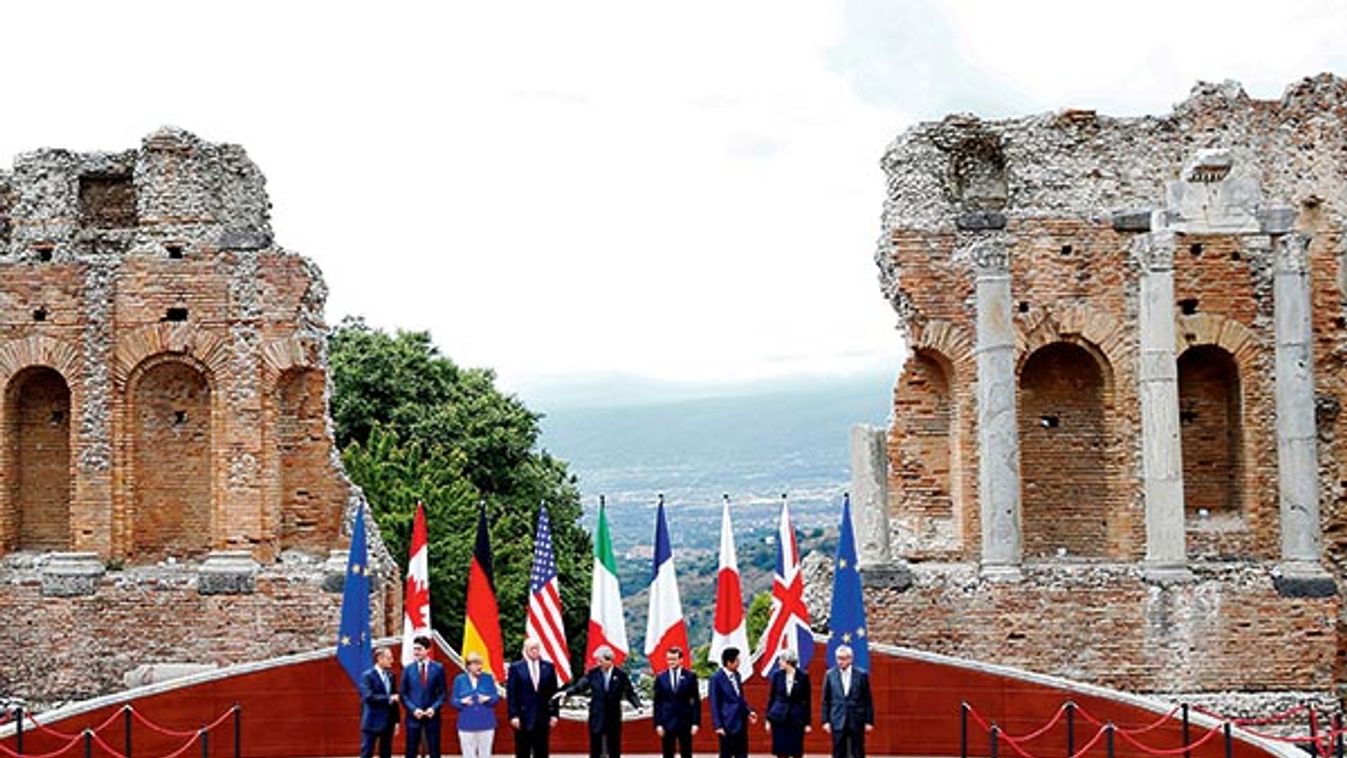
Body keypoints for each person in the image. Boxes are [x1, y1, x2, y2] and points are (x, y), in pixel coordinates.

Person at [557, 645, 642, 758]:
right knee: (595, 749)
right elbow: (580, 686)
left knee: (614, 748)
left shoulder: (620, 675)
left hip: (613, 717)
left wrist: (638, 706)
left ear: (609, 660)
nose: (598, 663)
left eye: (600, 661)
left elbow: (630, 693)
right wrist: (566, 693)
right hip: (597, 716)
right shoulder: (593, 674)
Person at [506, 638, 559, 758]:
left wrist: (554, 714)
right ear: (525, 650)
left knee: (542, 751)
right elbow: (512, 694)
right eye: (532, 649)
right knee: (522, 751)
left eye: (537, 648)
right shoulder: (516, 668)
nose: (535, 651)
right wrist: (513, 715)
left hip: (542, 717)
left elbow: (553, 693)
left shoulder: (549, 667)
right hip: (523, 718)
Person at [821, 645, 874, 758]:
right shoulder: (830, 675)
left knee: (857, 751)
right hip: (838, 719)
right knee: (838, 751)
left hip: (856, 719)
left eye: (843, 658)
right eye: (838, 658)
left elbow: (867, 700)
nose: (840, 661)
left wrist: (869, 721)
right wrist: (825, 721)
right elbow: (826, 700)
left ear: (850, 659)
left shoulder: (861, 675)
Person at [401, 635, 448, 758]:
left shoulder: (438, 668)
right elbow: (403, 694)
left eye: (419, 649)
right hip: (413, 717)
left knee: (434, 749)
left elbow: (442, 693)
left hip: (432, 716)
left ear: (427, 650)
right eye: (414, 649)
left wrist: (434, 708)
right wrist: (413, 709)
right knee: (411, 750)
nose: (416, 652)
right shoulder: (408, 669)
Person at [652, 647, 700, 758]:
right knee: (667, 753)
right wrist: (658, 724)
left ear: (681, 660)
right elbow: (657, 703)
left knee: (686, 752)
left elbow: (696, 701)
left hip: (685, 722)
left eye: (674, 659)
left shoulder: (690, 676)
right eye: (669, 659)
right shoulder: (660, 677)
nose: (671, 662)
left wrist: (695, 723)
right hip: (666, 722)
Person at [708, 647, 756, 758]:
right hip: (727, 724)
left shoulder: (737, 675)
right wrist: (718, 725)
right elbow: (714, 704)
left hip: (741, 722)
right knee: (726, 754)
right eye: (737, 660)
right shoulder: (716, 678)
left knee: (742, 753)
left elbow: (740, 698)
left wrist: (749, 712)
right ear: (729, 662)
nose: (739, 663)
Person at [451, 651, 500, 758]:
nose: (480, 667)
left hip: (486, 723)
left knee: (485, 754)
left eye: (480, 664)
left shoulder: (488, 678)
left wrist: (488, 699)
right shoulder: (459, 679)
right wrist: (462, 702)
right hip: (466, 724)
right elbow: (453, 701)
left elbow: (496, 698)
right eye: (476, 664)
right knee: (468, 755)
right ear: (468, 666)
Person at [764, 649, 811, 758]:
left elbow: (807, 700)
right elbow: (771, 697)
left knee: (796, 751)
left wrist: (807, 723)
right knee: (781, 751)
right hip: (778, 717)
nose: (779, 662)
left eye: (781, 660)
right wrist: (768, 719)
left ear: (788, 661)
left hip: (796, 719)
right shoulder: (777, 675)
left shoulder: (803, 676)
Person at [360, 648, 401, 758]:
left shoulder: (391, 676)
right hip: (372, 722)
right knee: (367, 753)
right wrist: (388, 698)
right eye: (389, 658)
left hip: (388, 722)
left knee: (386, 753)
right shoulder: (367, 676)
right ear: (379, 659)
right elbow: (368, 697)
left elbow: (395, 699)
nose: (392, 660)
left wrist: (397, 721)